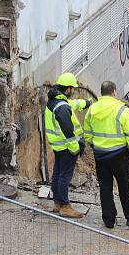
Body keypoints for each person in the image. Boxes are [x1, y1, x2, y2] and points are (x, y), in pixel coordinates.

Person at [83, 81, 129, 228]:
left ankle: (109, 219)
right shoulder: (121, 109)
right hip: (120, 155)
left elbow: (87, 131)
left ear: (102, 92)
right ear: (114, 92)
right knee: (124, 186)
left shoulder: (92, 109)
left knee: (105, 187)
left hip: (100, 155)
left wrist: (94, 144)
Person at [45, 72, 92, 218]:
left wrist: (87, 103)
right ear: (68, 89)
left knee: (58, 174)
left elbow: (72, 104)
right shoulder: (62, 108)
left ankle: (57, 203)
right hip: (67, 148)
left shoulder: (54, 102)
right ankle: (65, 206)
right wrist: (76, 148)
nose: (73, 92)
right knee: (64, 176)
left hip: (58, 146)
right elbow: (68, 132)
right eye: (73, 89)